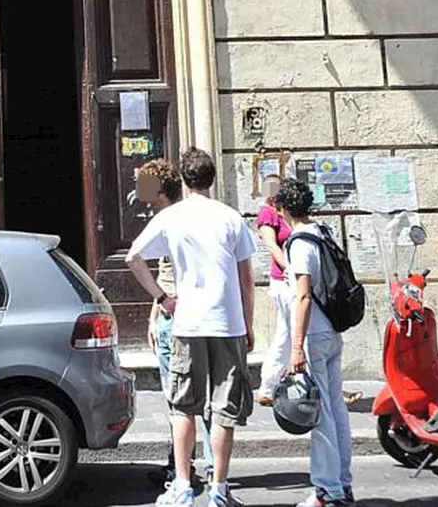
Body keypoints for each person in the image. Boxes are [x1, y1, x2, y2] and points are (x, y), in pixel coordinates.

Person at [126, 148, 256, 507]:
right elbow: (246, 279)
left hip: (188, 323)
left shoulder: (174, 217)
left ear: (183, 179)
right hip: (227, 324)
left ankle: (182, 485)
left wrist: (163, 298)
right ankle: (219, 488)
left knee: (183, 407)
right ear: (212, 179)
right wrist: (248, 324)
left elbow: (133, 258)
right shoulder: (231, 218)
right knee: (223, 411)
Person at [275, 179, 354, 507]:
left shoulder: (299, 241)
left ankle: (327, 491)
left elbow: (304, 296)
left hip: (314, 336)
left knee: (318, 413)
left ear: (284, 210)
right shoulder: (322, 232)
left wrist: (296, 348)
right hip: (332, 333)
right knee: (336, 408)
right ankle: (343, 483)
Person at [136, 159, 215, 488]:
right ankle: (203, 467)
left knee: (180, 397)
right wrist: (155, 313)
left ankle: (184, 469)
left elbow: (142, 263)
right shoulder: (184, 217)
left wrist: (162, 307)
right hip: (189, 313)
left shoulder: (170, 220)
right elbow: (166, 272)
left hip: (178, 316)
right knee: (201, 395)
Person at [255, 174, 291, 407]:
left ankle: (269, 386)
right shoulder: (267, 213)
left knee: (289, 332)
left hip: (291, 280)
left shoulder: (284, 212)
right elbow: (270, 244)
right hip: (284, 280)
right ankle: (267, 385)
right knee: (289, 333)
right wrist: (290, 268)